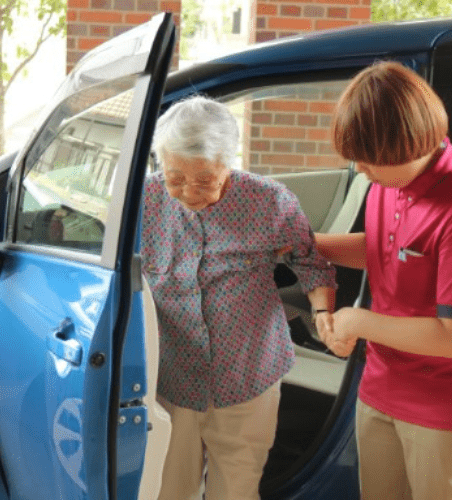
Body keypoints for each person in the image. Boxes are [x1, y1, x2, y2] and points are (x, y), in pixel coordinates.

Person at [316, 61, 452, 500]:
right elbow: (385, 249)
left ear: (403, 147)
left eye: (369, 160)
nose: (362, 170)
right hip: (383, 388)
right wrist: (315, 245)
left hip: (451, 405)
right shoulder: (389, 181)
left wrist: (355, 321)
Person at [141, 95, 336, 500]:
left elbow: (312, 264)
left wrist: (323, 314)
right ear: (161, 162)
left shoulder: (268, 201)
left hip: (248, 375)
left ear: (230, 162)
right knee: (167, 491)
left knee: (237, 490)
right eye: (175, 178)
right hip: (172, 376)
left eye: (205, 180)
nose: (188, 192)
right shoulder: (144, 200)